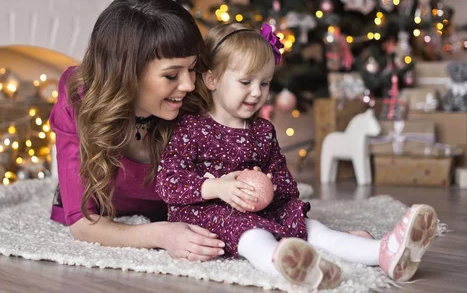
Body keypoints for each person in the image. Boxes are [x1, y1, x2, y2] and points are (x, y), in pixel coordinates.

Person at [156, 23, 439, 289]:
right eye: (246, 82)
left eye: (265, 84)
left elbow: (284, 179)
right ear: (212, 79)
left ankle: (384, 252)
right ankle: (284, 265)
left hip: (261, 207)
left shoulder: (262, 130)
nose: (257, 93)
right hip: (211, 213)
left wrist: (270, 187)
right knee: (252, 235)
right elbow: (167, 182)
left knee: (311, 227)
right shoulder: (191, 128)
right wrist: (217, 187)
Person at [49, 0, 225, 261]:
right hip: (111, 216)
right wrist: (161, 236)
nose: (189, 84)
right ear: (126, 73)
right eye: (171, 74)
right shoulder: (78, 97)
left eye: (192, 68)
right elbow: (83, 223)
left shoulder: (196, 99)